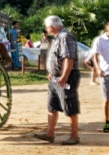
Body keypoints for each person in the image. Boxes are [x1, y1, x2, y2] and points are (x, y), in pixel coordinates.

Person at [34, 15, 80, 144]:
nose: (46, 29)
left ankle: (74, 136)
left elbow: (68, 58)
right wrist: (52, 73)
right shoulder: (58, 38)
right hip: (56, 78)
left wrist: (64, 76)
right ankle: (50, 134)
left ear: (51, 27)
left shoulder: (65, 37)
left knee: (69, 104)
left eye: (47, 27)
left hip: (65, 77)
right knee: (52, 105)